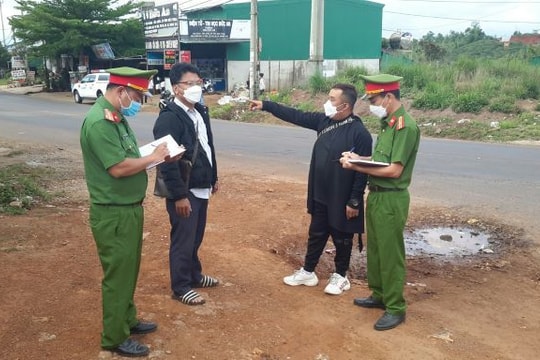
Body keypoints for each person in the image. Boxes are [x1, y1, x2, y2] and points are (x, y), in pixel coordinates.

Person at [80, 67, 174, 357]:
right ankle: (114, 337)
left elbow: (129, 157)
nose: (138, 102)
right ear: (121, 92)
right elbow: (118, 167)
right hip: (113, 213)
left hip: (128, 210)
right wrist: (153, 158)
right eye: (136, 96)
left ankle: (127, 319)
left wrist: (153, 156)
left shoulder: (116, 118)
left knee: (129, 270)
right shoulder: (100, 123)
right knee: (117, 275)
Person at [249, 83, 372, 295]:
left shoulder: (360, 133)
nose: (327, 102)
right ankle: (308, 271)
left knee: (342, 236)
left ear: (344, 106)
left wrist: (354, 200)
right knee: (317, 232)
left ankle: (341, 276)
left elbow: (363, 171)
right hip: (321, 192)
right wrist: (265, 105)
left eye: (332, 99)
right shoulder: (323, 121)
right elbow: (295, 115)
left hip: (343, 196)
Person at [340, 74, 421, 331]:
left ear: (388, 97)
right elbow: (380, 161)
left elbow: (394, 170)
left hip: (391, 198)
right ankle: (379, 295)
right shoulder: (388, 123)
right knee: (375, 249)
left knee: (390, 252)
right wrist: (359, 157)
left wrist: (355, 166)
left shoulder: (405, 127)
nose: (371, 104)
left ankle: (396, 307)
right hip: (376, 195)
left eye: (374, 99)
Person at [153, 63, 219, 306]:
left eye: (198, 83)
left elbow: (207, 147)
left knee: (196, 236)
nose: (195, 88)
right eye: (188, 84)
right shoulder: (170, 118)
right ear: (175, 88)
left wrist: (214, 177)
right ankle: (180, 287)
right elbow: (167, 161)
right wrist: (179, 195)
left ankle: (194, 275)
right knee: (183, 239)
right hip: (184, 190)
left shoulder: (199, 111)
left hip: (201, 185)